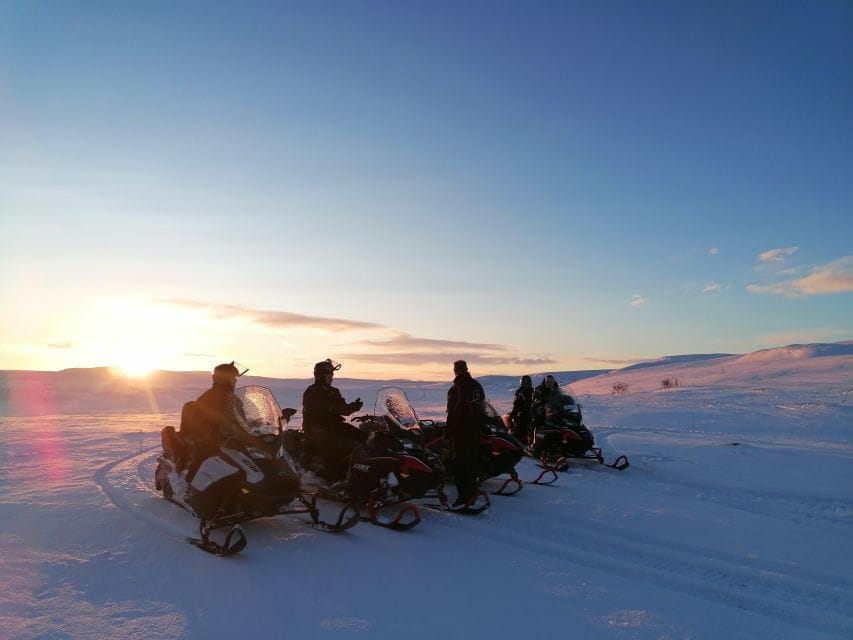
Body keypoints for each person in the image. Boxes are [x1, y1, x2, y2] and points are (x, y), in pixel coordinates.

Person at [301, 359, 366, 481]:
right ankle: (335, 481)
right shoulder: (312, 392)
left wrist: (352, 407)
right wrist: (333, 408)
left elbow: (342, 409)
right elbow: (321, 409)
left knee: (363, 436)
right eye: (329, 374)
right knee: (335, 446)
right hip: (317, 430)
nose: (332, 377)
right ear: (322, 375)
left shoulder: (333, 391)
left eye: (332, 374)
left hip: (335, 426)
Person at [446, 359, 485, 507]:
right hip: (476, 430)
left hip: (462, 432)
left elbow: (453, 413)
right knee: (473, 463)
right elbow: (481, 405)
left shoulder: (457, 388)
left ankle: (464, 497)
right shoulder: (477, 385)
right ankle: (473, 491)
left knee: (460, 466)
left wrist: (447, 434)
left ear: (455, 370)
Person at [508, 375, 534, 444]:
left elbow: (532, 404)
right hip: (521, 414)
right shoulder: (519, 392)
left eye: (527, 382)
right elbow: (516, 405)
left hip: (529, 415)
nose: (526, 384)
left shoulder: (532, 392)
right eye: (524, 382)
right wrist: (513, 414)